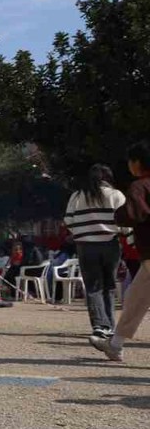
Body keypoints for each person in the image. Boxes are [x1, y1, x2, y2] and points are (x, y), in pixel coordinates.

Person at [92, 142, 150, 361]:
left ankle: (115, 344)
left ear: (137, 163)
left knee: (135, 298)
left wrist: (119, 215)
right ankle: (115, 345)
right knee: (135, 298)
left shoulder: (140, 186)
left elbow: (134, 214)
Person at [64, 163, 127, 339]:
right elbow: (125, 221)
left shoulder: (77, 196)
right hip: (111, 245)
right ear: (108, 178)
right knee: (109, 286)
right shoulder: (116, 195)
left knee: (93, 287)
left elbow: (68, 220)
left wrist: (81, 232)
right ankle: (110, 326)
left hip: (85, 246)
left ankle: (100, 325)